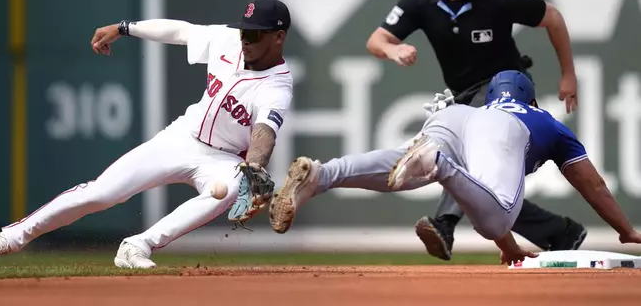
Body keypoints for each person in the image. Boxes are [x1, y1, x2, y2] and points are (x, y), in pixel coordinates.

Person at [0, 0, 291, 268]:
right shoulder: (228, 39)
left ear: (278, 37)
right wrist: (124, 28)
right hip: (183, 138)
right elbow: (181, 32)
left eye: (255, 33)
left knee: (227, 189)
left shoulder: (277, 86)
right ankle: (12, 236)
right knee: (101, 193)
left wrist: (253, 167)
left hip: (224, 160)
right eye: (244, 30)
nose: (245, 39)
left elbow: (264, 132)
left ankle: (138, 245)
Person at [364, 0, 583, 259]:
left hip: (508, 91)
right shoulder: (422, 0)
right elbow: (376, 40)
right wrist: (393, 51)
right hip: (464, 95)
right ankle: (560, 232)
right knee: (487, 185)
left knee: (465, 157)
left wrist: (568, 73)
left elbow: (552, 17)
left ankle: (444, 223)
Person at [269, 71, 641, 265]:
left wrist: (509, 248)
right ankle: (438, 164)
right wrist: (625, 231)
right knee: (494, 219)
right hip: (502, 135)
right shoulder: (546, 122)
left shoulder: (485, 108)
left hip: (455, 116)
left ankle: (320, 175)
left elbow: (479, 191)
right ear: (532, 98)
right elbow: (594, 187)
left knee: (397, 170)